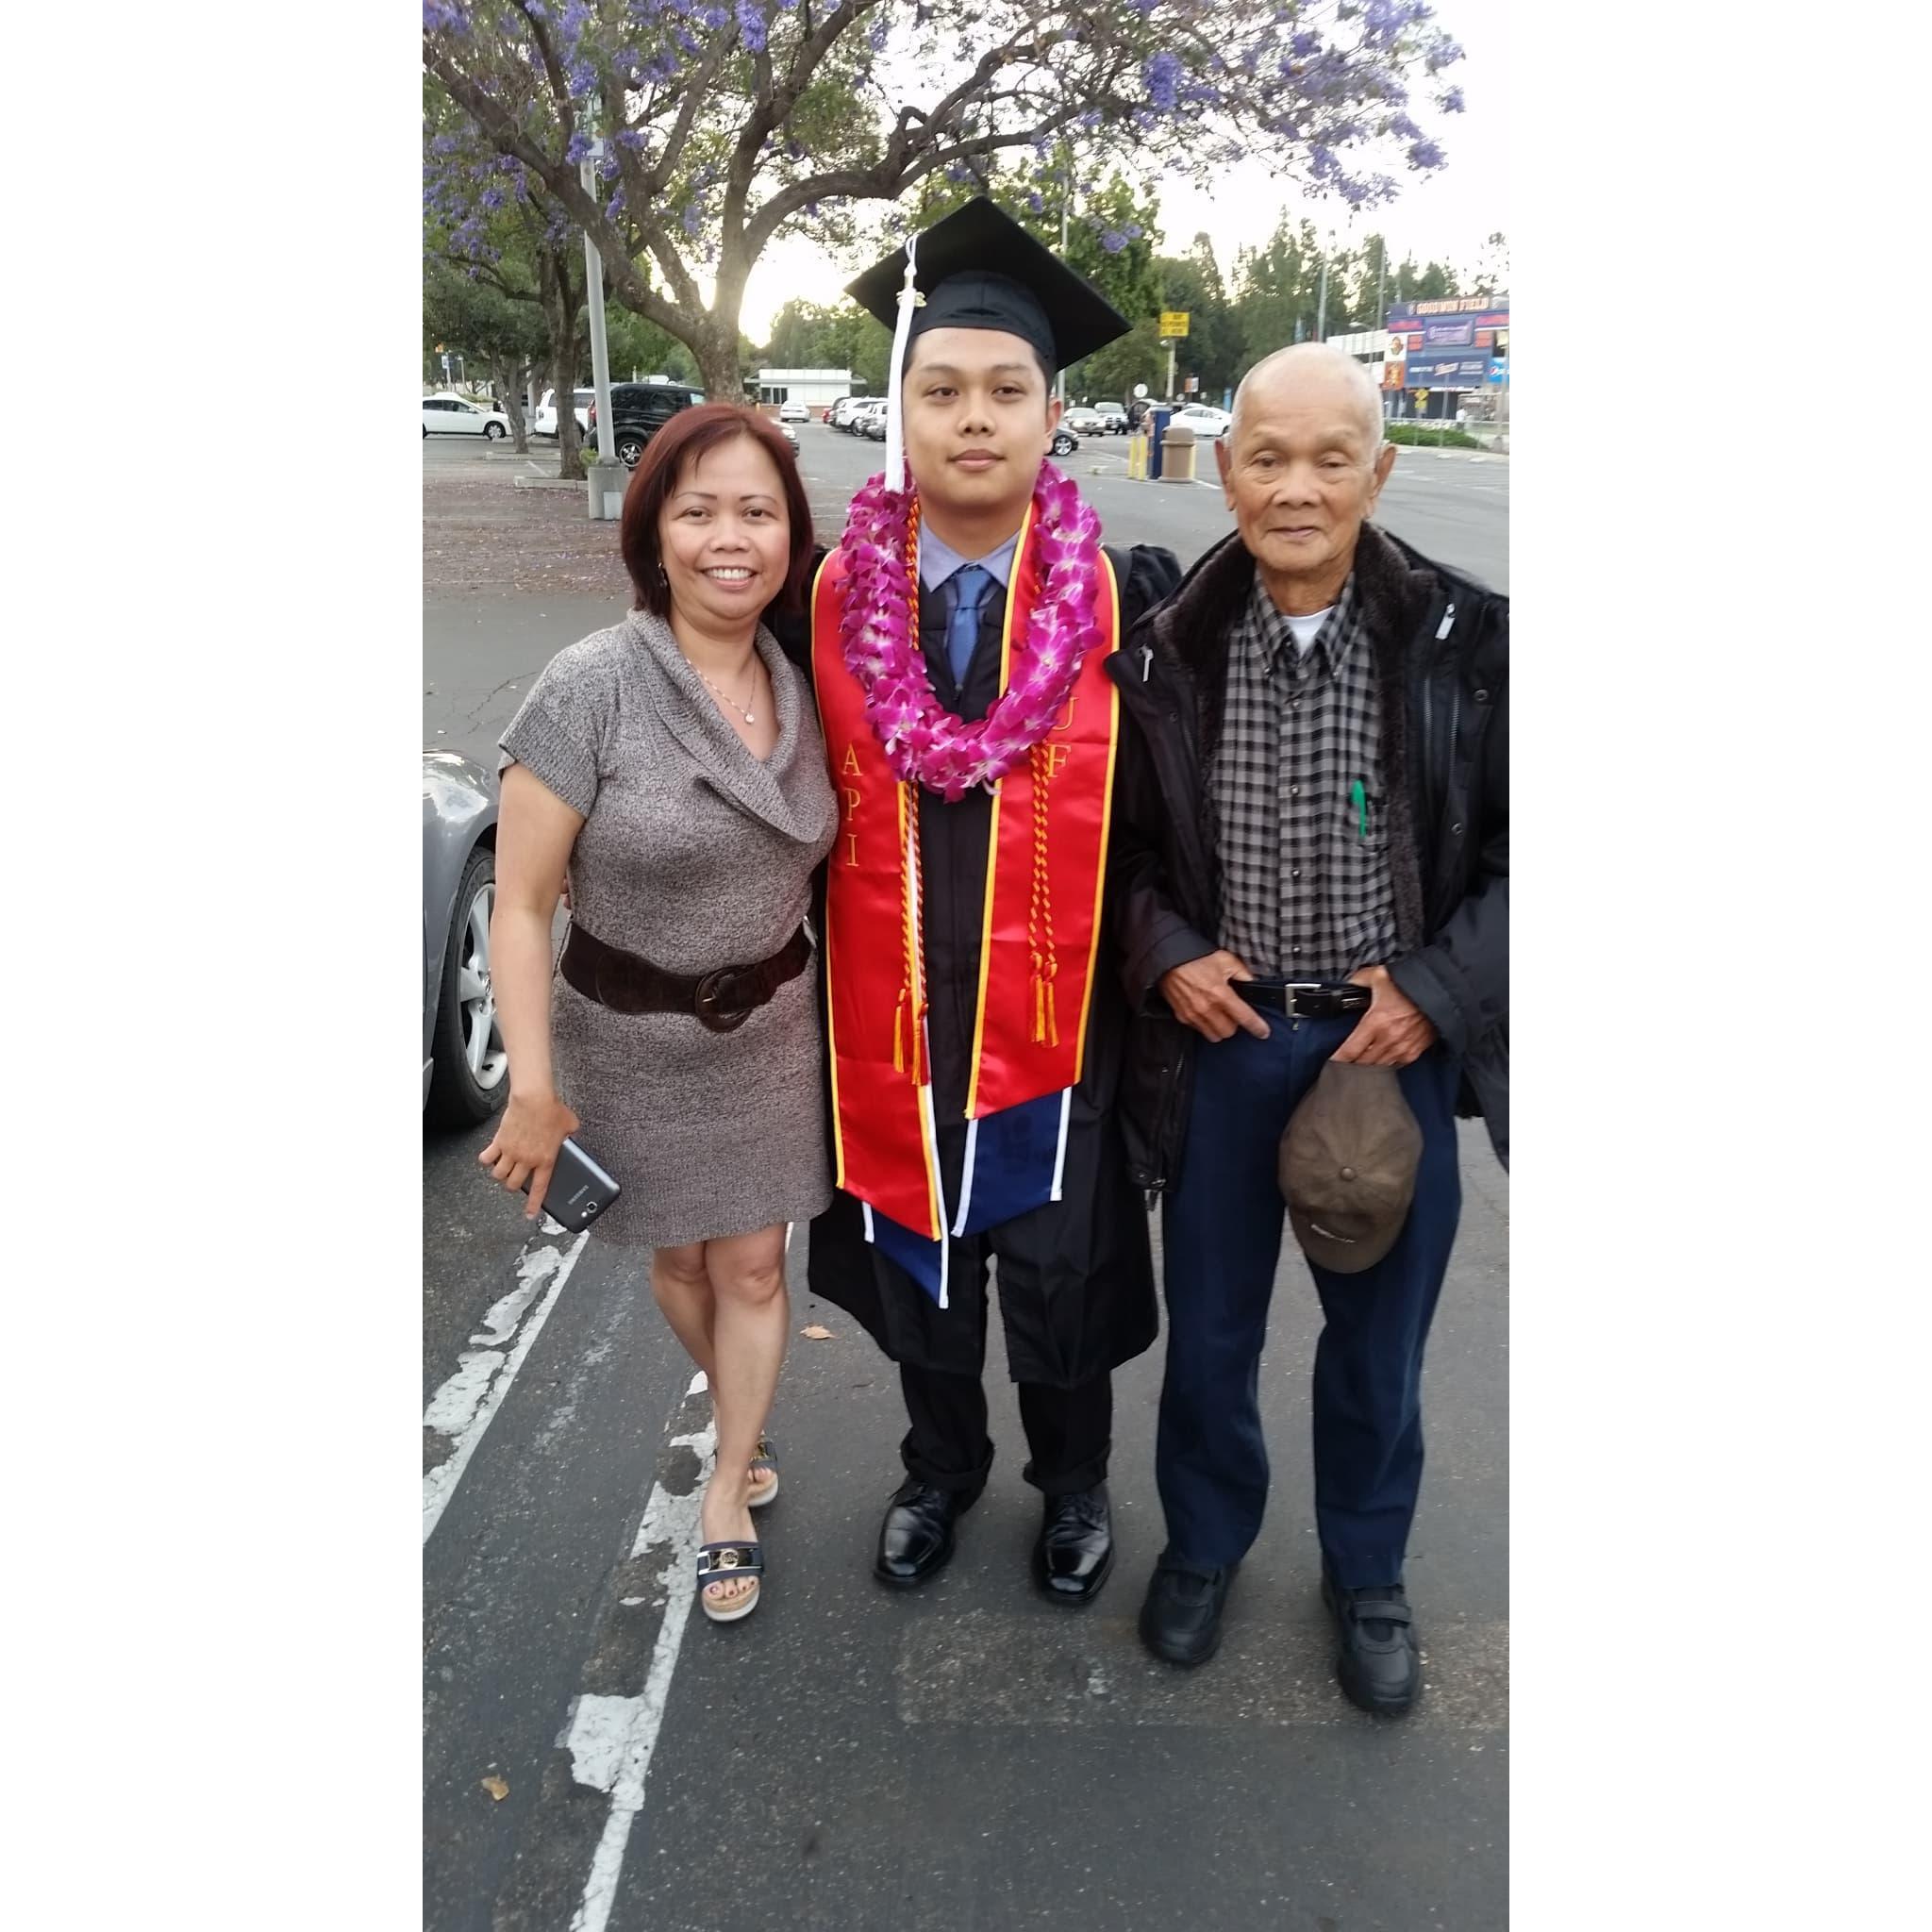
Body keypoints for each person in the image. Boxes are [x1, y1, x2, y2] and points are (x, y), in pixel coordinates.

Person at [1109, 342, 1507, 1711]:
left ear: (1378, 471)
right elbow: (1116, 857)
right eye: (1267, 456)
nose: (1296, 486)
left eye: (1330, 457)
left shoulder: (1475, 646)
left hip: (1381, 1056)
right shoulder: (1157, 658)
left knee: (1377, 1347)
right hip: (1224, 1053)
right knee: (1210, 1336)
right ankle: (1207, 1546)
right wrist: (1164, 955)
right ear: (1222, 472)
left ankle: (1367, 1571)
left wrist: (1437, 993)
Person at [797, 197, 1181, 1604]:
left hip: (1056, 1020)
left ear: (1051, 411)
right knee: (918, 1257)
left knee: (1059, 1266)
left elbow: (1170, 828)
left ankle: (1072, 1485)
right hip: (890, 1011)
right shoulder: (833, 596)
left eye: (1005, 391)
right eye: (941, 389)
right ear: (899, 408)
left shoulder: (1127, 601)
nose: (973, 418)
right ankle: (939, 1465)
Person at [481, 405, 838, 1625]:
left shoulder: (812, 677)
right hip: (625, 1042)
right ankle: (744, 1408)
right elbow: (521, 907)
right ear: (655, 533)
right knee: (679, 1262)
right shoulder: (589, 688)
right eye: (698, 511)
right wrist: (533, 1086)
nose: (728, 538)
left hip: (775, 1035)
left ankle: (728, 1481)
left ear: (792, 532)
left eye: (756, 511)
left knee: (749, 1263)